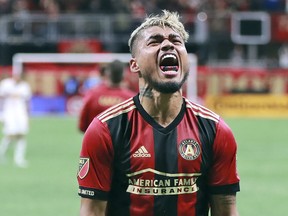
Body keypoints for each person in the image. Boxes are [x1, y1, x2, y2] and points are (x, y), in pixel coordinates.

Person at [77, 10, 240, 216]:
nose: (168, 44)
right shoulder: (105, 130)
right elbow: (92, 212)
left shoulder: (215, 130)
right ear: (134, 65)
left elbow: (226, 209)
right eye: (154, 41)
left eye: (176, 41)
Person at [78, 60, 135, 133]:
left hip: (97, 140)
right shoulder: (131, 98)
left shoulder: (92, 95)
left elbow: (82, 126)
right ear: (124, 75)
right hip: (123, 142)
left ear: (107, 74)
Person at [0, 72, 32, 168]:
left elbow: (27, 102)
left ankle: (19, 158)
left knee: (21, 135)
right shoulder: (6, 84)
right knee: (10, 135)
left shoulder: (25, 87)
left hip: (21, 114)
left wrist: (28, 115)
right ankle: (2, 153)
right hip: (9, 113)